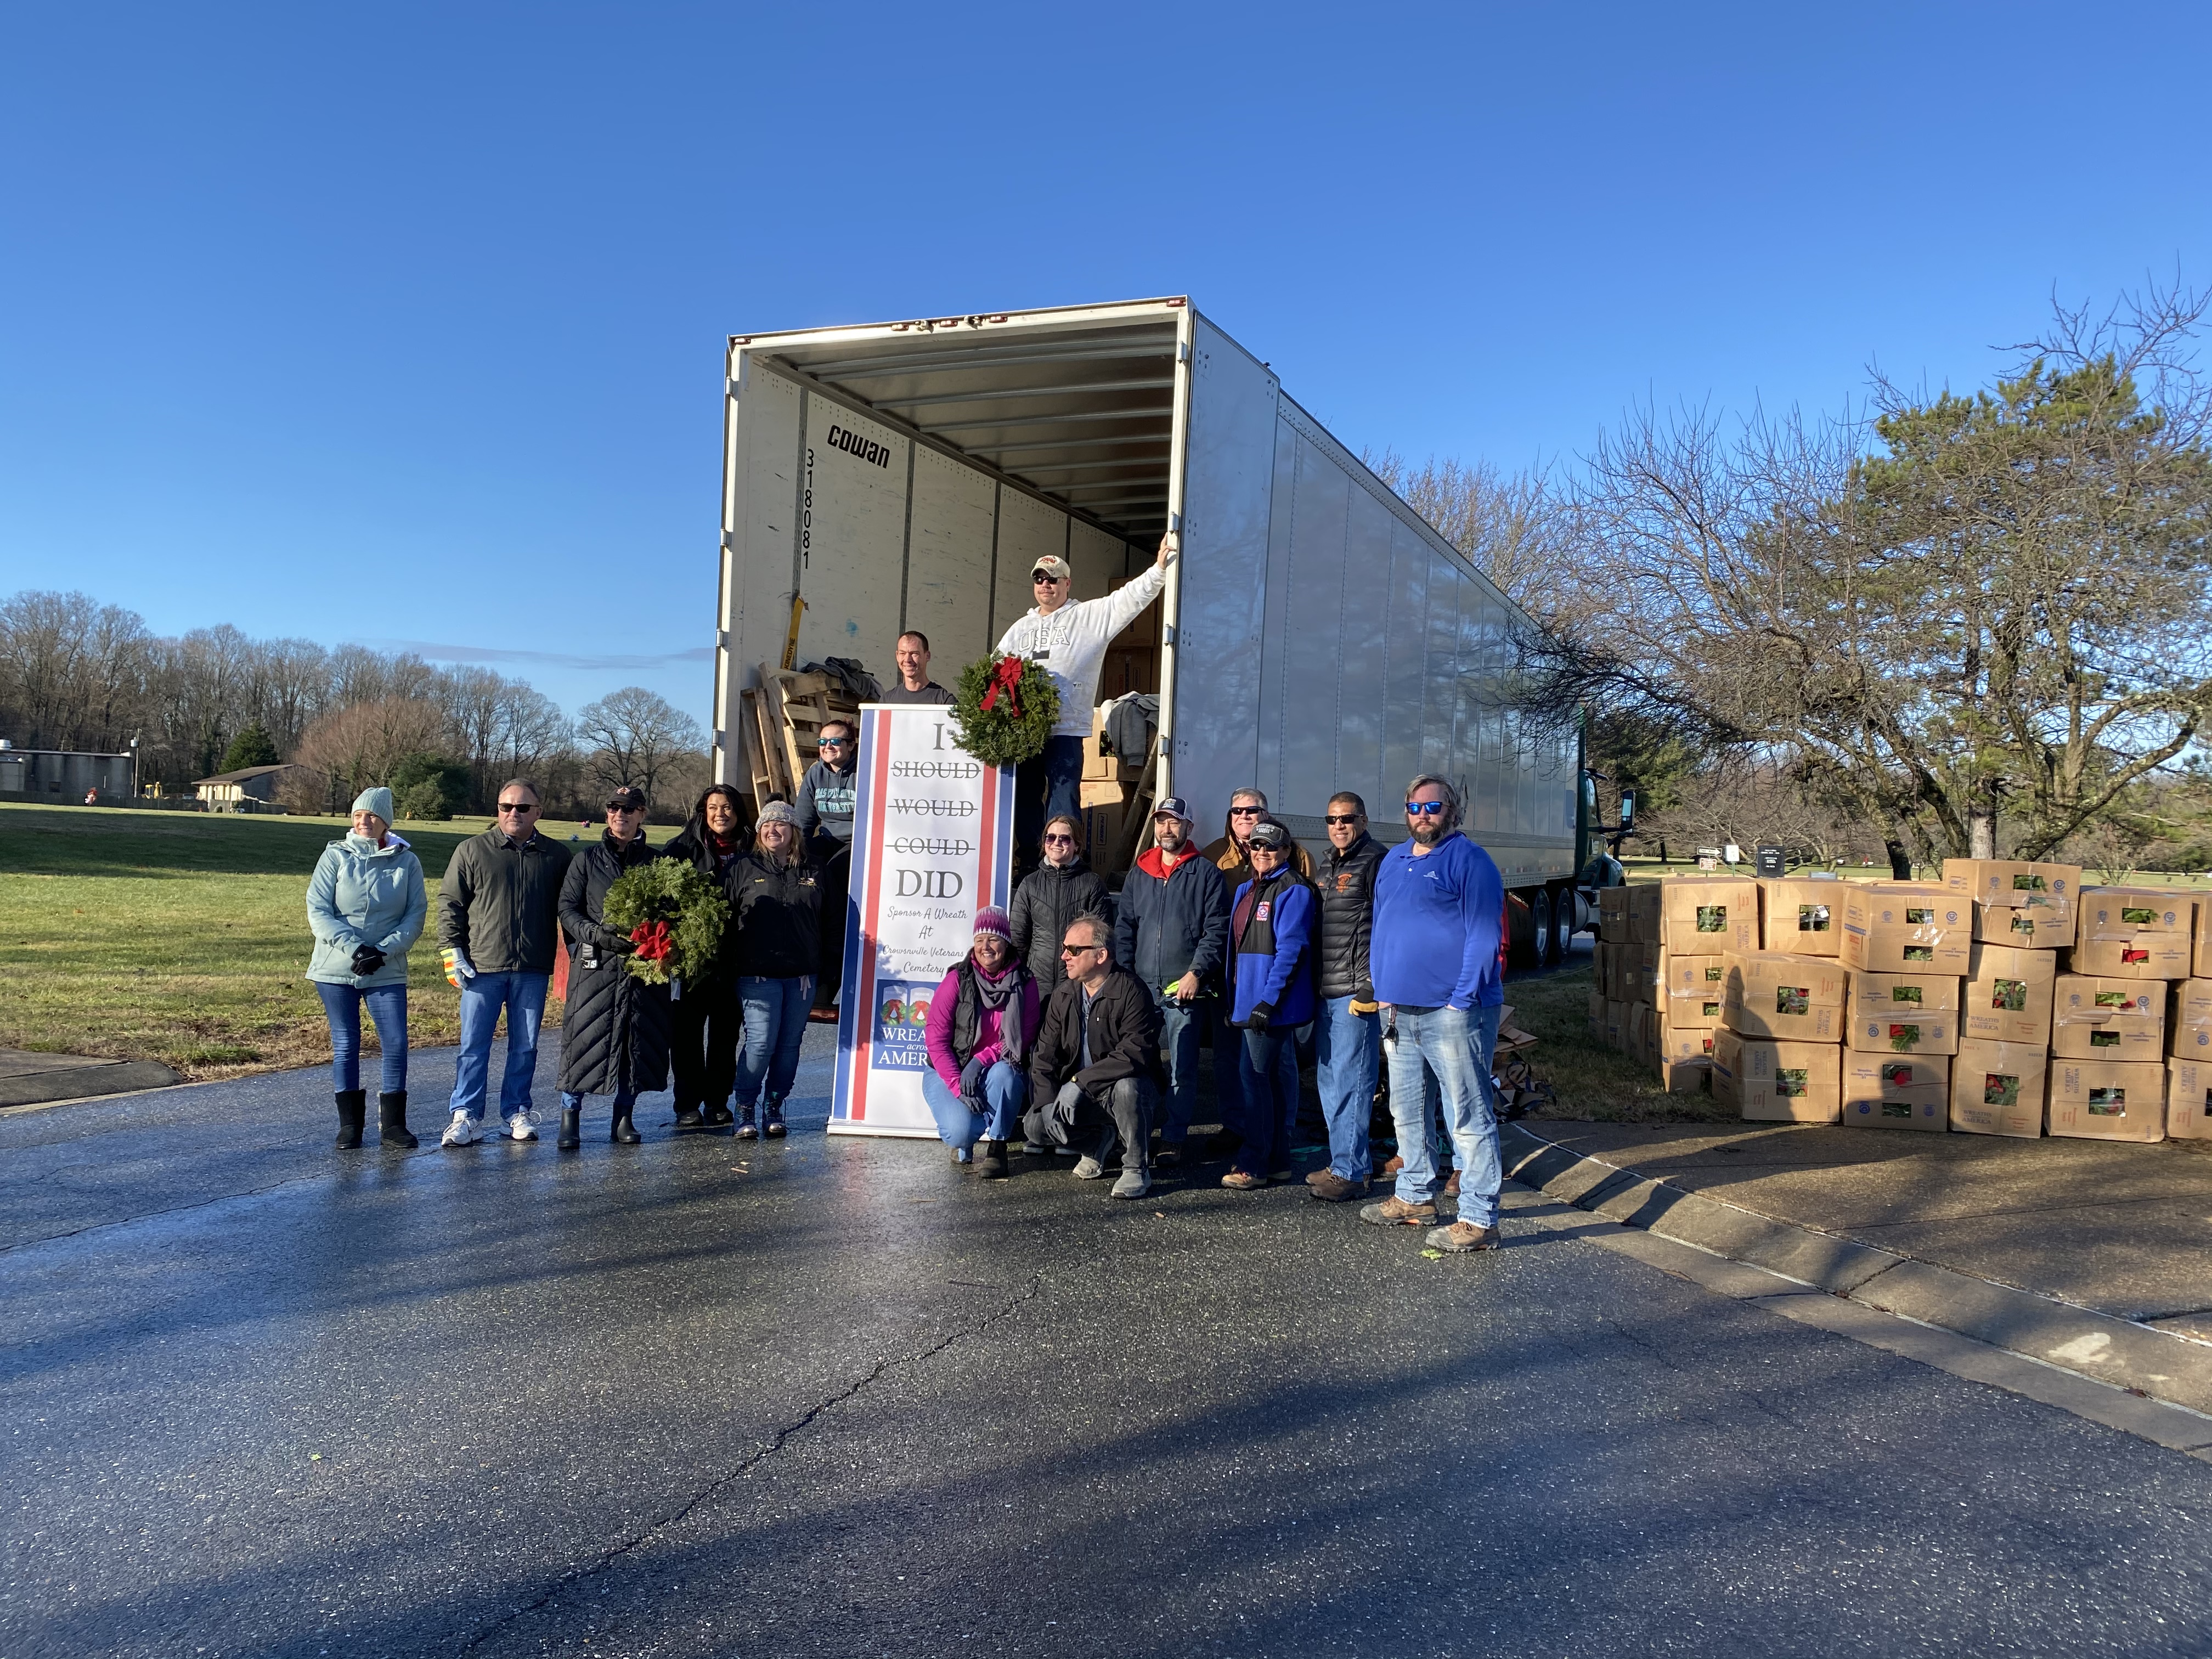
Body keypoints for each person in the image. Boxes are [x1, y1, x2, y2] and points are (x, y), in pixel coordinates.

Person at [1359, 775, 1506, 1253]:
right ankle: (1415, 1196)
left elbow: (1484, 936)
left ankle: (1480, 1219)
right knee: (1406, 1110)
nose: (1423, 815)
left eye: (1433, 807)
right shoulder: (1394, 861)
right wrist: (1383, 989)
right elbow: (1382, 926)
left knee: (1466, 1114)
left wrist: (1461, 998)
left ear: (1453, 811)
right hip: (1400, 1011)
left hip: (1452, 1012)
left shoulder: (1470, 861)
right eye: (1414, 808)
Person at [995, 532, 1176, 855]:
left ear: (1068, 584)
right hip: (1026, 733)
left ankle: (1067, 865)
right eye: (1039, 579)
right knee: (1024, 799)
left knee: (1063, 801)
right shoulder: (1018, 629)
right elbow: (994, 674)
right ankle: (1034, 866)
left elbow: (1128, 598)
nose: (1045, 585)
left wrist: (1159, 569)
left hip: (1066, 729)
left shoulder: (1088, 617)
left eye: (1053, 579)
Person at [438, 778, 572, 1147]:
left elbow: (572, 909)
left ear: (538, 812)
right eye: (506, 807)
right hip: (483, 966)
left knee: (525, 1045)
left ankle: (516, 1111)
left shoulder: (556, 857)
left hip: (532, 967)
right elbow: (451, 903)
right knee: (473, 1044)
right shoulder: (473, 851)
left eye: (523, 807)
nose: (514, 813)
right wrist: (453, 951)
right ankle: (465, 1114)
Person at [306, 786, 428, 1149]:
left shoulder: (407, 862)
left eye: (372, 816)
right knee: (346, 1043)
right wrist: (355, 947)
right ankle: (350, 1127)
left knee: (395, 1042)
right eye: (358, 815)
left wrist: (383, 952)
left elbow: (415, 916)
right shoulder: (335, 856)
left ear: (386, 821)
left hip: (385, 967)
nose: (364, 821)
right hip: (336, 967)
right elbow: (318, 910)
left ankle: (392, 1127)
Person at [1110, 795, 1228, 1168]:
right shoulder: (1139, 873)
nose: (1166, 828)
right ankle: (1136, 1134)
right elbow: (1125, 929)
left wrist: (1196, 973)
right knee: (1136, 1064)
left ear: (1189, 828)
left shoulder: (1206, 874)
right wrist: (1125, 978)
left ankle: (1174, 1137)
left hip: (1184, 991)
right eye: (1161, 821)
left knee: (1182, 1068)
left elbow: (1216, 931)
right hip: (1141, 988)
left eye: (1175, 822)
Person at [554, 786, 673, 1149]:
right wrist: (595, 935)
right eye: (614, 808)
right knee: (584, 1039)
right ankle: (570, 1117)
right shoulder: (587, 860)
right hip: (596, 966)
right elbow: (568, 908)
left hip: (641, 967)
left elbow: (671, 911)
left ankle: (624, 1116)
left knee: (633, 1042)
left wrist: (653, 938)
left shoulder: (656, 863)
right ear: (607, 814)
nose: (620, 815)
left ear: (642, 814)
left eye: (629, 809)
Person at [1024, 914, 1162, 1200]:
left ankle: (1137, 1167)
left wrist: (1079, 1082)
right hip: (1081, 1094)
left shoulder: (1132, 992)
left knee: (1128, 1088)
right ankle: (1098, 1142)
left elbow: (1134, 1053)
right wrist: (1048, 1101)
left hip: (1122, 1092)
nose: (1064, 956)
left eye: (1074, 950)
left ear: (1101, 955)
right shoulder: (1063, 995)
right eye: (1065, 948)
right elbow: (1043, 1058)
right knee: (1035, 1125)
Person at [1221, 818, 1318, 1190]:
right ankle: (1277, 1162)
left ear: (1286, 852)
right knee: (1272, 1084)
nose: (1263, 853)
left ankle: (1254, 1164)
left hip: (1270, 1007)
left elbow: (1292, 950)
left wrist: (1268, 1001)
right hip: (1246, 1002)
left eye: (1272, 847)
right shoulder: (1247, 888)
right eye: (1257, 846)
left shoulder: (1294, 890)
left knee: (1255, 1081)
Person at [1307, 792, 1386, 1202]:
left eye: (1347, 818)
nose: (1338, 826)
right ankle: (1342, 1161)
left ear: (1364, 819)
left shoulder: (1375, 862)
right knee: (1328, 1080)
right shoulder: (1328, 865)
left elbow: (1388, 927)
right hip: (1326, 988)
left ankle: (1353, 1172)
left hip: (1356, 991)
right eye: (1331, 819)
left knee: (1353, 1081)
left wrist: (1373, 984)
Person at [922, 906, 1039, 1178]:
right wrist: (957, 1085)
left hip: (995, 1065)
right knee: (960, 1132)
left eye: (994, 939)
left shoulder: (1025, 981)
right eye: (979, 940)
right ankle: (965, 1140)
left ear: (1006, 942)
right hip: (949, 1066)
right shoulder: (957, 979)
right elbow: (936, 1040)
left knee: (1007, 1077)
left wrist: (980, 1060)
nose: (986, 947)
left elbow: (1025, 1036)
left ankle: (998, 1145)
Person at [729, 800, 821, 1138]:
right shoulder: (742, 867)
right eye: (766, 825)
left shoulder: (814, 870)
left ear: (794, 831)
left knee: (789, 1046)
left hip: (801, 976)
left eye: (780, 825)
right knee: (760, 1044)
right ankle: (745, 1107)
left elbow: (829, 921)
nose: (772, 830)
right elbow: (725, 920)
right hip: (757, 974)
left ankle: (775, 1105)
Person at [662, 784, 752, 1130]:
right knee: (685, 1036)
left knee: (725, 1037)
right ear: (703, 812)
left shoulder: (751, 849)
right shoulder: (681, 849)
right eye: (713, 807)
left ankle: (718, 1101)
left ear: (738, 811)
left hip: (735, 960)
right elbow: (664, 900)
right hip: (691, 960)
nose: (720, 814)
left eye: (727, 807)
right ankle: (687, 1104)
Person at [793, 719, 856, 1019]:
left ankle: (834, 971)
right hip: (828, 839)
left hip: (859, 840)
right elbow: (804, 822)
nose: (828, 747)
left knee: (831, 872)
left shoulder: (864, 771)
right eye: (822, 742)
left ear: (850, 745)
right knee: (805, 870)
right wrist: (796, 855)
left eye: (835, 742)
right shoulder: (815, 773)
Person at [1009, 814, 1110, 990]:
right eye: (1051, 837)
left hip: (1078, 983)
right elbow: (1018, 938)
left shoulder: (1092, 883)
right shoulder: (1030, 883)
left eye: (1065, 839)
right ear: (1044, 842)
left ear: (1076, 845)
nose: (1057, 843)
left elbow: (1102, 939)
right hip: (1037, 981)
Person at [1202, 788, 1316, 884]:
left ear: (1266, 815)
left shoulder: (1299, 856)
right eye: (1237, 811)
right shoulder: (1212, 855)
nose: (1244, 816)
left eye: (1252, 810)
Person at [881, 630, 955, 706]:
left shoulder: (944, 701)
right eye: (902, 653)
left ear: (927, 656)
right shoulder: (887, 700)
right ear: (897, 656)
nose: (907, 660)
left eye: (914, 654)